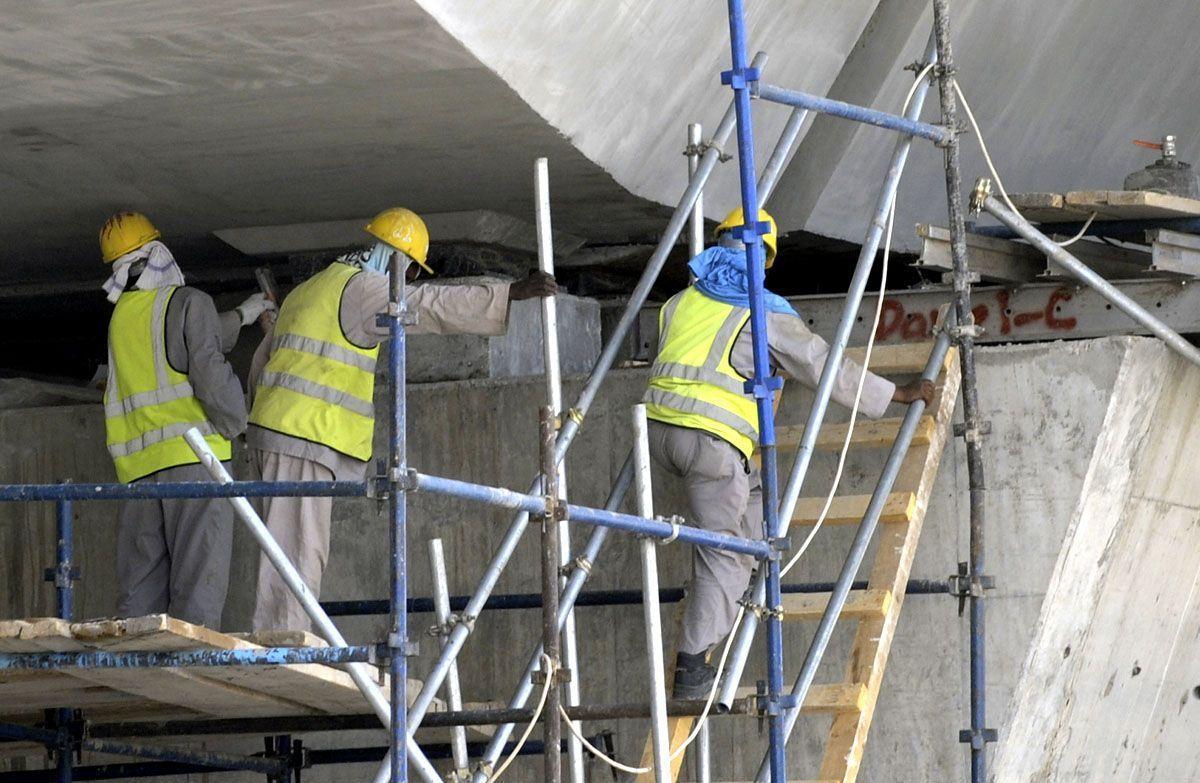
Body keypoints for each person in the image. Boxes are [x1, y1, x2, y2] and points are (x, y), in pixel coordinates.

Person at [644, 207, 934, 698]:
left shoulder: (679, 300)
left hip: (657, 434)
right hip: (709, 442)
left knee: (754, 506)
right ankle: (691, 670)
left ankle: (742, 569)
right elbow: (819, 365)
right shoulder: (761, 307)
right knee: (721, 551)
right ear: (766, 258)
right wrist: (894, 395)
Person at [246, 207, 557, 632]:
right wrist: (508, 294)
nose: (410, 281)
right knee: (299, 549)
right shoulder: (363, 291)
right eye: (411, 272)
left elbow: (260, 365)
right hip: (304, 436)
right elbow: (430, 305)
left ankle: (281, 637)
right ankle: (282, 646)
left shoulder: (310, 288)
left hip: (280, 436)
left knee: (284, 547)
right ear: (398, 261)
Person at [100, 211, 275, 628]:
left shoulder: (121, 317)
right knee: (198, 590)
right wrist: (241, 424)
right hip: (196, 466)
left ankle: (140, 685)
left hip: (138, 476)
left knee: (140, 598)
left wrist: (244, 315)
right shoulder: (188, 301)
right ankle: (187, 685)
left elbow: (183, 341)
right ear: (158, 252)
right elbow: (208, 369)